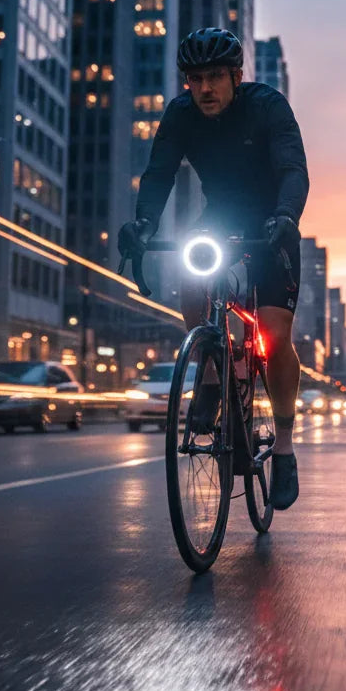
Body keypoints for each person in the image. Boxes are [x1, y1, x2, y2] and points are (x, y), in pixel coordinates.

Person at [119, 28, 309, 511]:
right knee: (190, 271)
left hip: (272, 222)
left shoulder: (268, 107)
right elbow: (159, 173)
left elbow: (293, 169)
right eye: (195, 79)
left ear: (236, 77)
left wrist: (287, 217)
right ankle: (210, 368)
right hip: (220, 219)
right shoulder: (181, 115)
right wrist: (143, 223)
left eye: (215, 78)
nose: (204, 88)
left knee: (273, 332)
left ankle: (283, 448)